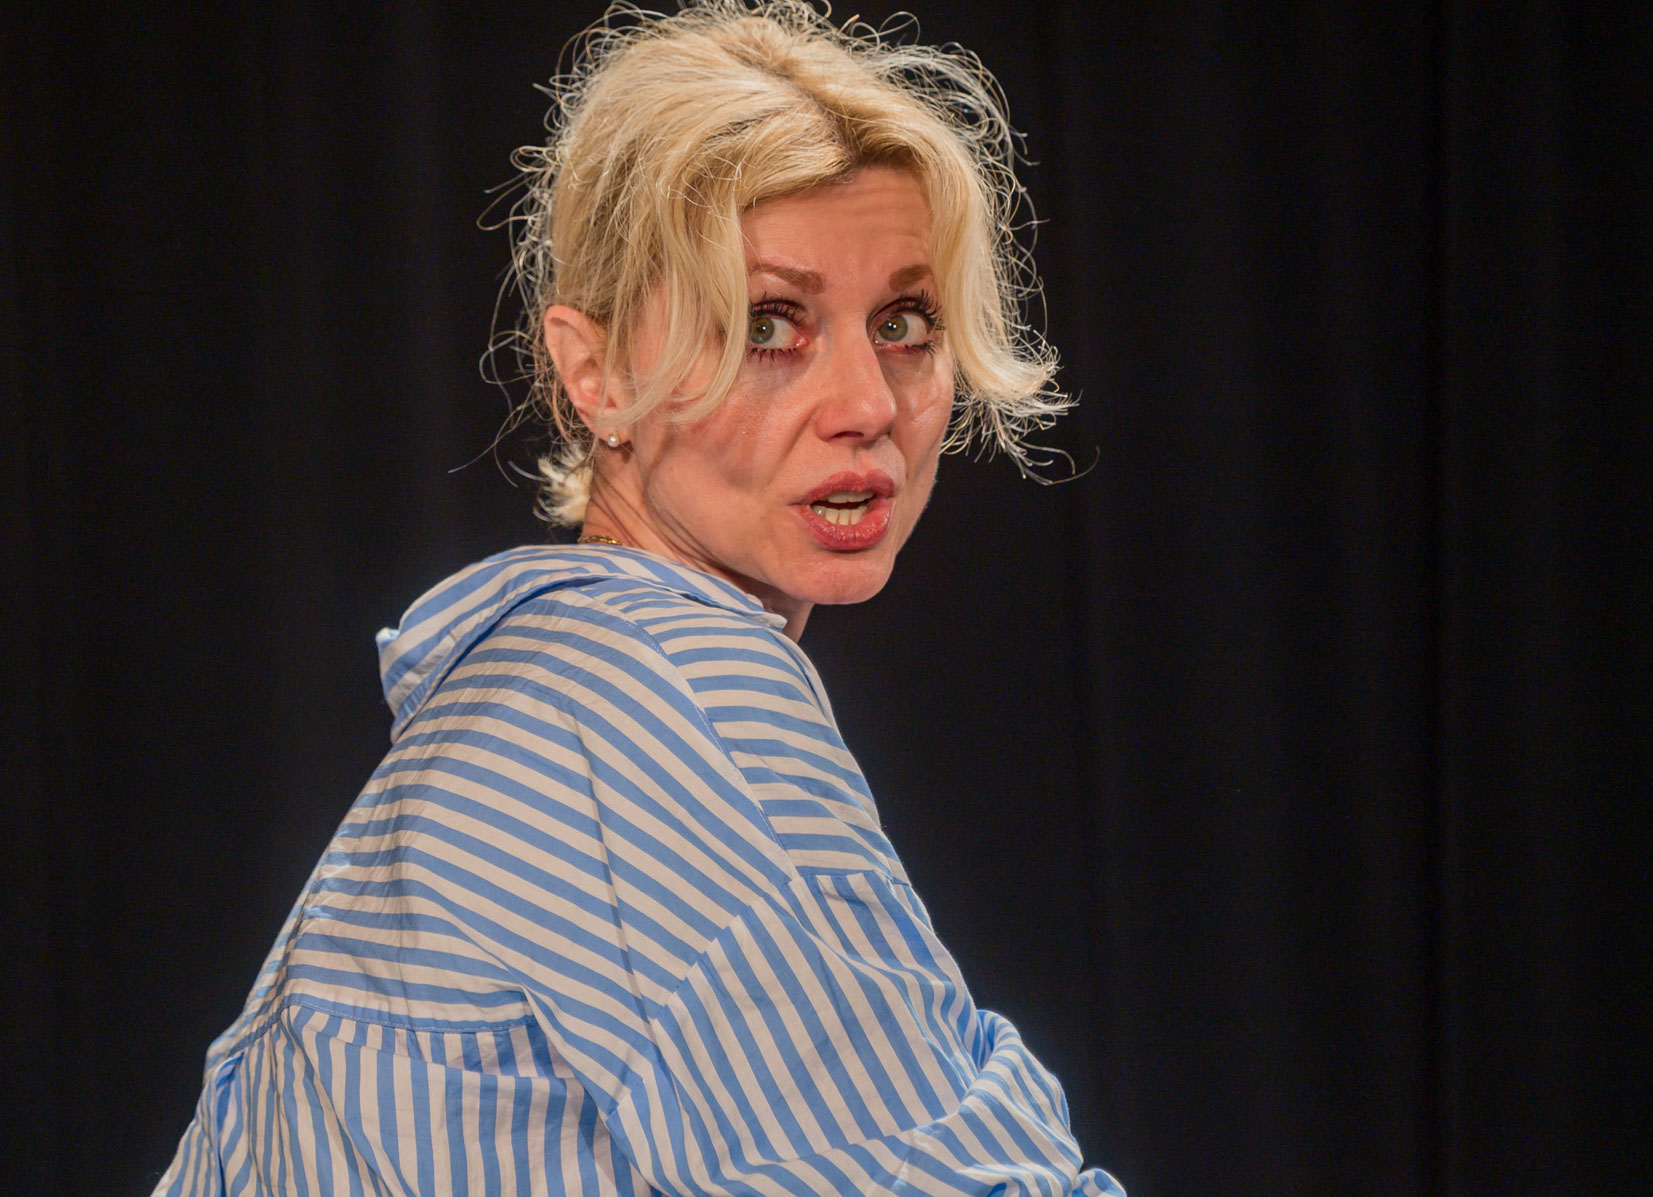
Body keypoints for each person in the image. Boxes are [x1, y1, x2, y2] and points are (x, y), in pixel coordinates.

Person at [154, 3, 1122, 1193]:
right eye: (770, 325)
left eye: (905, 324)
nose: (869, 402)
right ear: (595, 372)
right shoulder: (665, 689)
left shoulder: (538, 679)